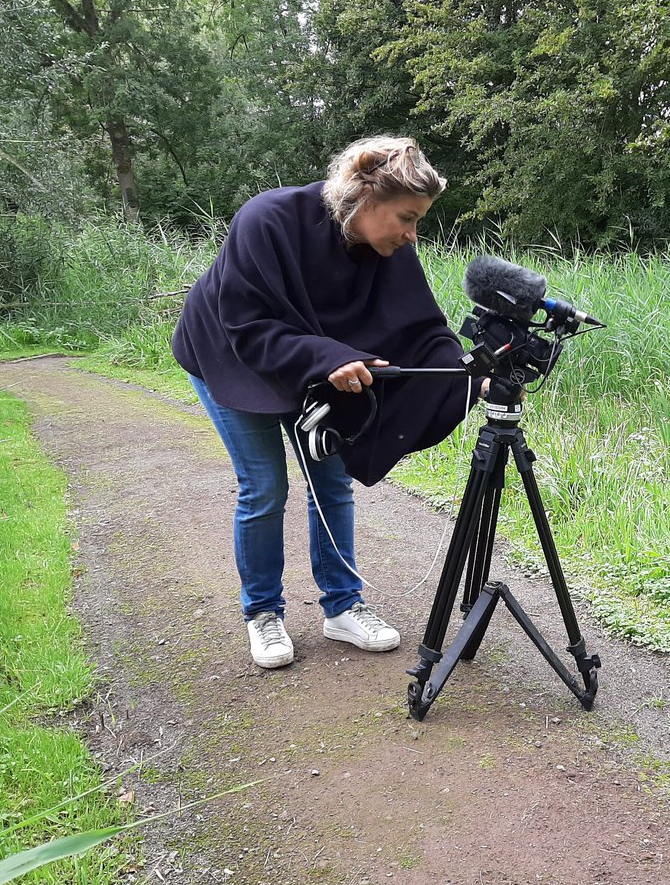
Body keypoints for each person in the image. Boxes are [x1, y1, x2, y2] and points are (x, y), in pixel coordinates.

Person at [172, 136, 480, 669]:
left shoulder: (390, 250)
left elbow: (424, 328)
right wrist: (326, 358)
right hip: (230, 352)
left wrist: (468, 372)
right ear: (364, 198)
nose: (412, 235)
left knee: (329, 481)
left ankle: (342, 607)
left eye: (418, 222)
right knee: (265, 486)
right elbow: (248, 325)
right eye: (406, 218)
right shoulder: (266, 218)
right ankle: (263, 613)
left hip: (315, 356)